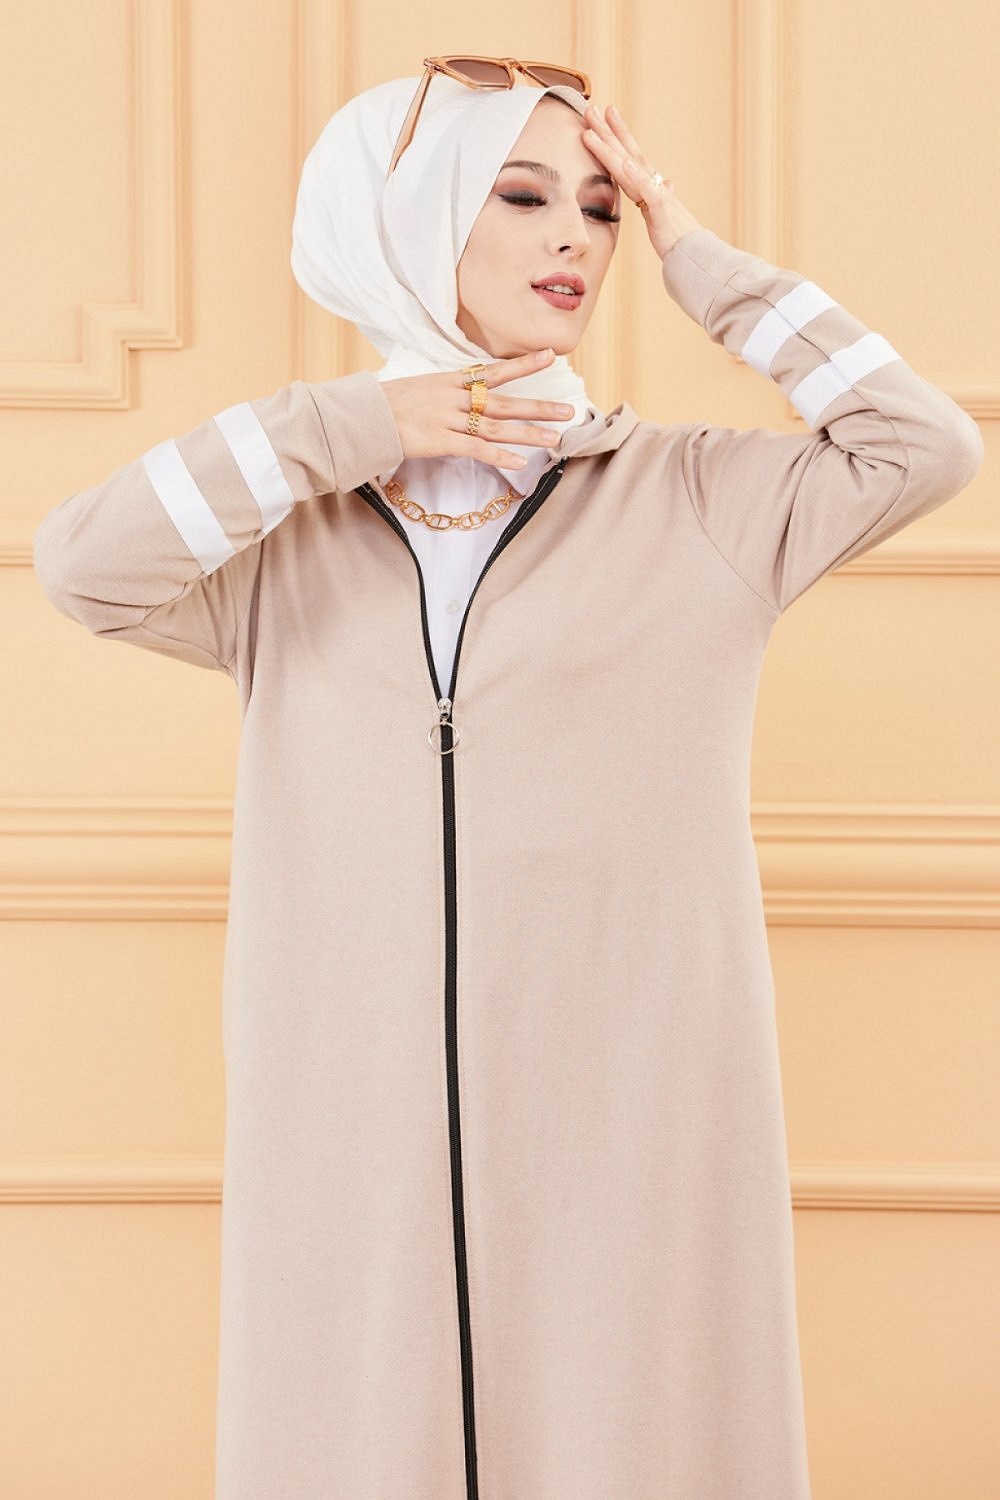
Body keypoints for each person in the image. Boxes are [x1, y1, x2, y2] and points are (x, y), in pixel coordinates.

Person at [32, 60, 983, 1500]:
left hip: (634, 1121)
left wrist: (698, 259)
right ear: (404, 219)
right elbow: (82, 566)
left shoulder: (696, 500)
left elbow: (925, 447)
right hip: (351, 1132)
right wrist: (349, 426)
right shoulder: (288, 544)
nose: (575, 238)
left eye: (599, 207)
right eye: (522, 195)